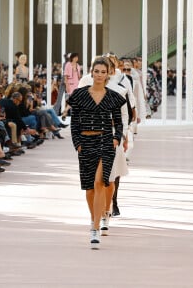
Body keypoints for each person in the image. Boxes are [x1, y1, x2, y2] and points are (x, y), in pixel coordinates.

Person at [68, 57, 126, 249]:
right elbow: (74, 122)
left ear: (108, 74)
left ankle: (95, 228)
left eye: (103, 72)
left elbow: (118, 122)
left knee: (100, 182)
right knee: (89, 188)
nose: (100, 75)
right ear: (91, 72)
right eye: (97, 71)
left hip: (105, 142)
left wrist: (117, 138)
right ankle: (95, 217)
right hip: (85, 142)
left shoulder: (113, 97)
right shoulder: (79, 95)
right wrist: (77, 143)